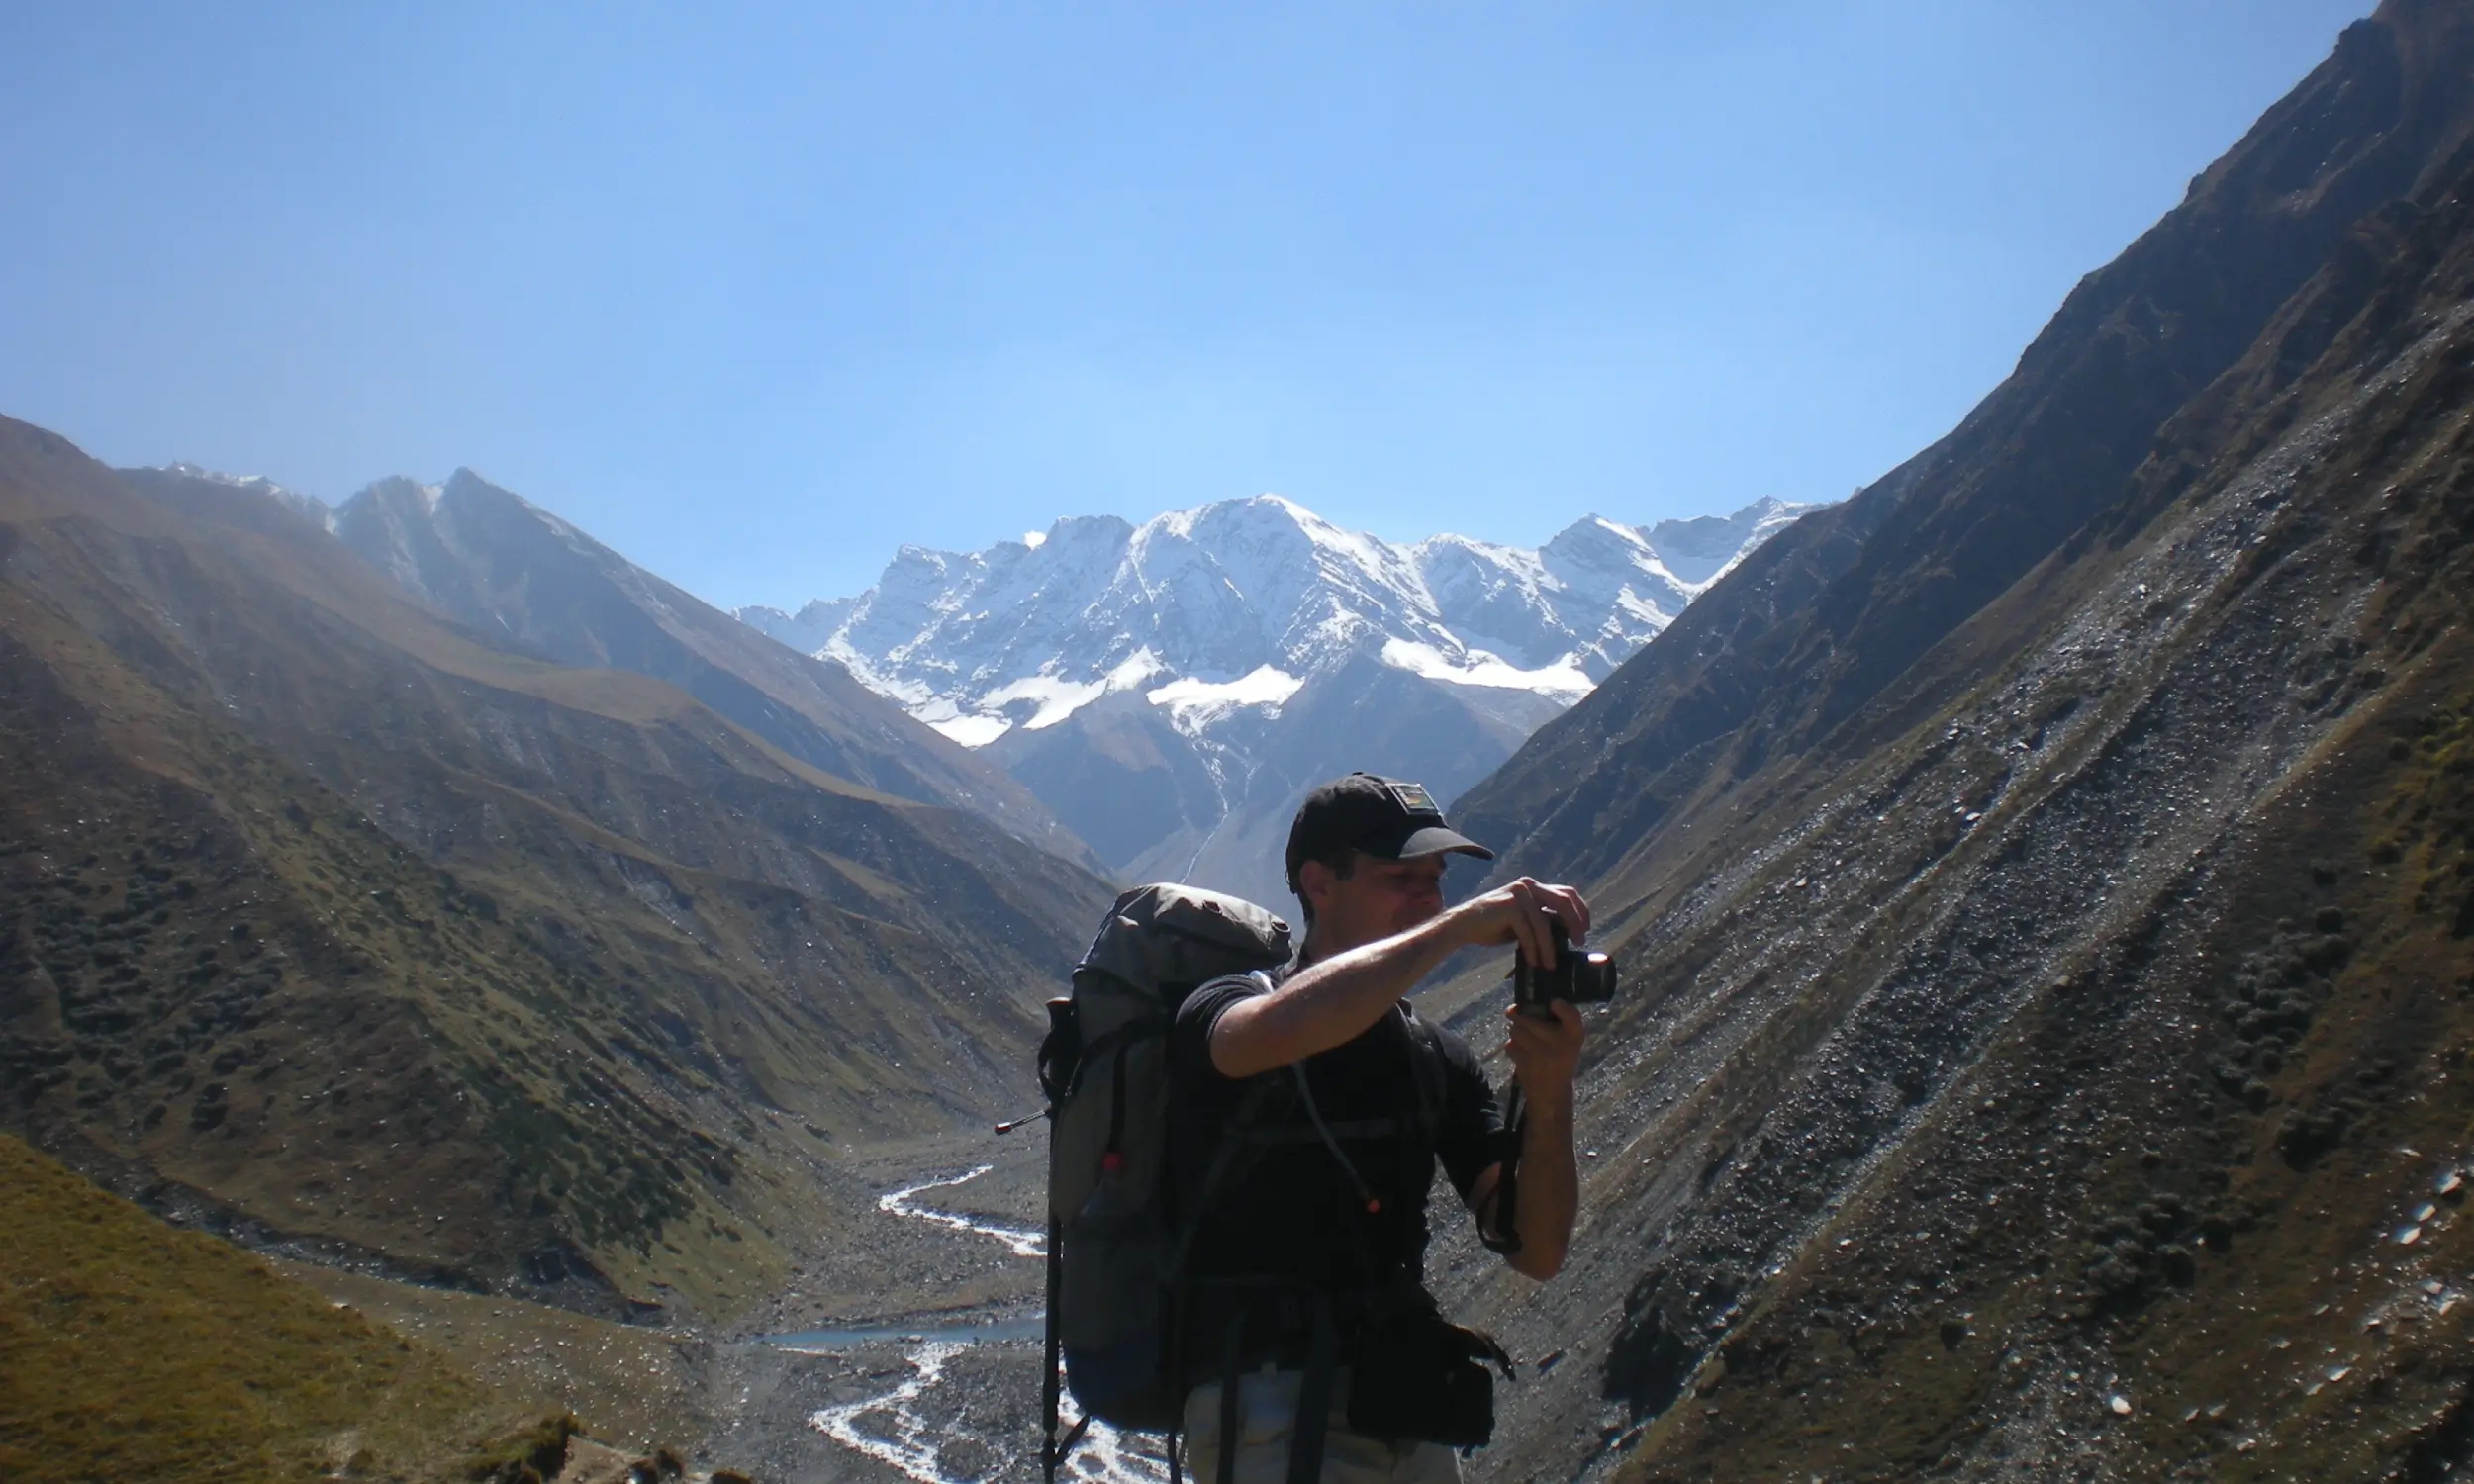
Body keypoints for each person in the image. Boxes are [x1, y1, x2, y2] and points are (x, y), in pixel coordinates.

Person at [1168, 772, 1589, 1483]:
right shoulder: (1230, 1003)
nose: (1428, 898)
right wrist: (1453, 930)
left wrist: (1549, 1098)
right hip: (1266, 1402)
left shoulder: (1433, 1056)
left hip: (1398, 1399)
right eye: (1401, 878)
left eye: (1437, 881)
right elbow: (1253, 1040)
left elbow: (1538, 1249)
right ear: (1318, 885)